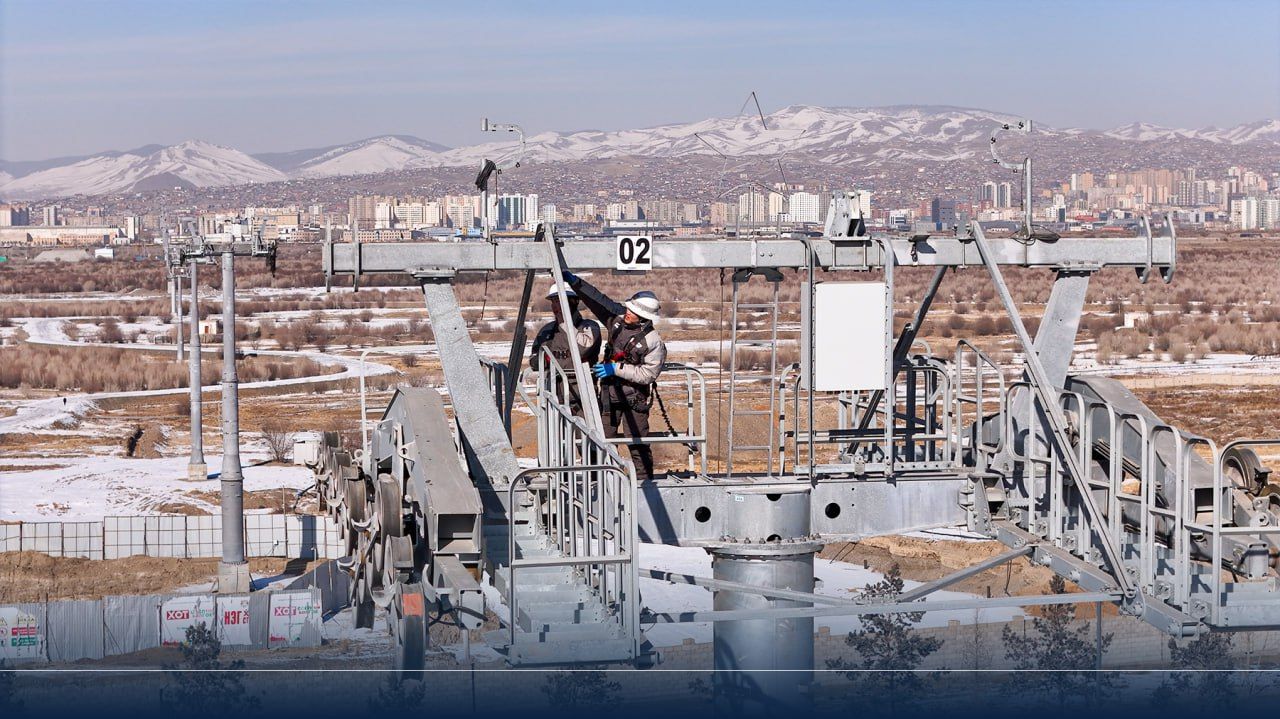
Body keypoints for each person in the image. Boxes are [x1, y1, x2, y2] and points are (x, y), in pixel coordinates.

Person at [562, 271, 666, 481]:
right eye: (629, 308)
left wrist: (616, 369)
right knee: (602, 440)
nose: (628, 312)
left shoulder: (653, 341)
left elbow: (648, 374)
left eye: (633, 311)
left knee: (637, 442)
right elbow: (597, 300)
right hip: (609, 395)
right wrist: (576, 283)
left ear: (644, 317)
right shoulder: (617, 320)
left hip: (634, 399)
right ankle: (601, 481)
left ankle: (644, 484)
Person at [530, 285, 601, 414]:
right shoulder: (547, 330)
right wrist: (541, 360)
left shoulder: (589, 327)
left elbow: (583, 349)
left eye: (560, 301)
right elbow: (534, 359)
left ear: (573, 302)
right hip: (553, 400)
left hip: (582, 401)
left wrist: (565, 324)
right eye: (554, 301)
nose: (556, 306)